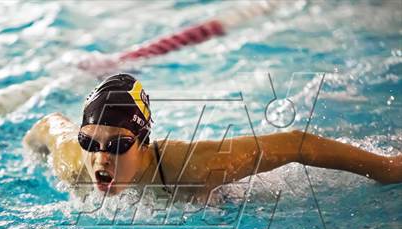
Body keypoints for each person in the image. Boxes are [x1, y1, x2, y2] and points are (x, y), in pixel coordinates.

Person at [23, 73, 402, 203]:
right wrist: (30, 162)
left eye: (118, 144)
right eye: (90, 141)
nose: (100, 158)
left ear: (143, 141)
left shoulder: (187, 168)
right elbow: (46, 125)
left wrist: (386, 168)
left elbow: (297, 143)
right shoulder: (74, 163)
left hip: (222, 200)